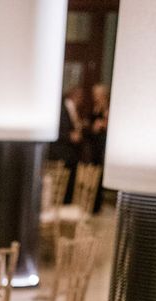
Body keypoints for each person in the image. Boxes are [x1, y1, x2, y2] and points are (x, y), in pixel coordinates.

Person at [49, 85, 85, 202]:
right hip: (61, 152)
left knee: (69, 184)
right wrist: (69, 136)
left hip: (71, 154)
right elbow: (55, 130)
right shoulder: (61, 108)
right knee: (62, 186)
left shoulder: (72, 109)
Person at [88, 82, 109, 212]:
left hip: (102, 146)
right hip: (94, 145)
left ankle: (97, 205)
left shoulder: (107, 109)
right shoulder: (95, 108)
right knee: (93, 173)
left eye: (97, 94)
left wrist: (102, 125)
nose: (95, 97)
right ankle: (93, 203)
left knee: (99, 173)